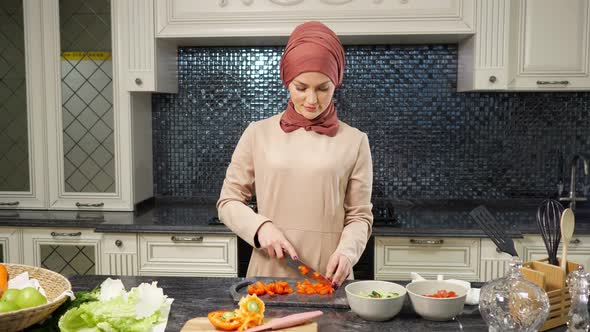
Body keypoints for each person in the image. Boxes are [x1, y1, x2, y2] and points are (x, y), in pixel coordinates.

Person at [217, 21, 373, 288]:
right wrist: (260, 228)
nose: (312, 99)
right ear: (287, 82)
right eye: (301, 87)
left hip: (329, 276)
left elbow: (360, 216)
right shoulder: (257, 133)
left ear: (336, 83)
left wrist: (348, 252)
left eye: (323, 88)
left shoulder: (355, 141)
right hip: (269, 272)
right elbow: (228, 202)